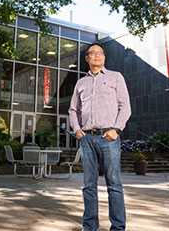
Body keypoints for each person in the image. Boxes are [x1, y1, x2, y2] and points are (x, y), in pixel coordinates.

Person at [69, 43, 132, 231]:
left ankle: (118, 227)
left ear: (104, 57)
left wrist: (117, 129)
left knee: (114, 184)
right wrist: (77, 130)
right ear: (87, 58)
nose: (97, 55)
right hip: (87, 139)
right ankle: (89, 226)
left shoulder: (115, 77)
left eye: (101, 53)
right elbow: (73, 110)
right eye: (93, 53)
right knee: (89, 185)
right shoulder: (81, 83)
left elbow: (125, 107)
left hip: (109, 138)